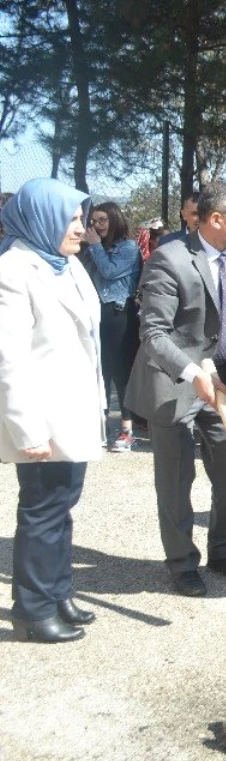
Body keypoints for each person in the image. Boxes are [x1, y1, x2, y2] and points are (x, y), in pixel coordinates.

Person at [125, 182, 226, 598]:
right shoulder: (169, 258)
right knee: (175, 478)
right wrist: (193, 373)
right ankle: (182, 563)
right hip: (174, 380)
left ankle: (224, 552)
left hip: (219, 382)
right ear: (216, 219)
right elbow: (153, 333)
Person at [0, 179, 106, 643]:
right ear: (42, 218)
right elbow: (10, 359)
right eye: (72, 218)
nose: (80, 229)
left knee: (63, 507)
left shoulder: (66, 264)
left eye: (82, 218)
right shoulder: (13, 270)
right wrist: (27, 430)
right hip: (42, 418)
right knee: (42, 511)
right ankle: (32, 609)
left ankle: (58, 591)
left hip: (74, 411)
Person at [84, 202, 142, 452]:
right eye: (94, 221)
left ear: (115, 220)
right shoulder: (91, 248)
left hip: (120, 314)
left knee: (121, 372)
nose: (97, 226)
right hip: (96, 314)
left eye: (102, 220)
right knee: (100, 372)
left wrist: (95, 246)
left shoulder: (128, 247)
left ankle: (127, 430)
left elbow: (109, 272)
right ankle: (100, 425)